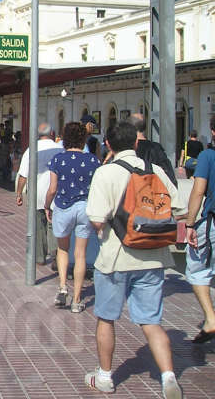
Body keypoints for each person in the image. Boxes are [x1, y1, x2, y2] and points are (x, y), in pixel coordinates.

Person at [84, 121, 184, 398]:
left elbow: (95, 219)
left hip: (116, 258)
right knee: (151, 321)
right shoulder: (157, 171)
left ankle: (104, 377)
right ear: (137, 143)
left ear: (108, 145)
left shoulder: (106, 173)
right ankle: (168, 378)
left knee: (106, 318)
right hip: (153, 258)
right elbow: (178, 207)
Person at [44, 121, 99, 312]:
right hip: (85, 207)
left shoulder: (57, 160)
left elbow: (52, 189)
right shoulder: (93, 160)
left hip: (63, 206)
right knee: (81, 254)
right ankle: (77, 300)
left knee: (63, 249)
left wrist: (46, 206)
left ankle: (62, 287)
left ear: (64, 138)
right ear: (84, 138)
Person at [184, 116, 215, 345]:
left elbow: (198, 191)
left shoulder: (207, 156)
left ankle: (211, 318)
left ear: (212, 132)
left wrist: (190, 223)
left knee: (196, 269)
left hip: (212, 223)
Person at [15, 122, 62, 266]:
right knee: (54, 224)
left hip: (36, 193)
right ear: (52, 134)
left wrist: (19, 194)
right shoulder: (60, 149)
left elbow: (23, 174)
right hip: (55, 193)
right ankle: (56, 255)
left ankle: (40, 256)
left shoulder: (31, 150)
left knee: (38, 225)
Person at [129, 113, 177, 187]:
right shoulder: (156, 148)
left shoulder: (126, 149)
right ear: (145, 126)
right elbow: (170, 178)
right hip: (151, 193)